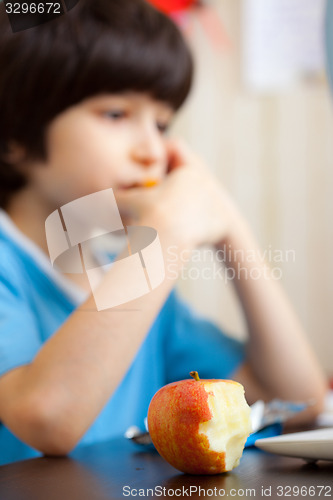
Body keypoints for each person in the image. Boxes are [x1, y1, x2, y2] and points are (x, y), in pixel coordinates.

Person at [0, 0, 327, 466]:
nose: (152, 150)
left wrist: (230, 228)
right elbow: (47, 417)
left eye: (162, 123)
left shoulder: (136, 287)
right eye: (115, 114)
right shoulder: (17, 267)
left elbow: (298, 401)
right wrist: (167, 233)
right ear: (13, 134)